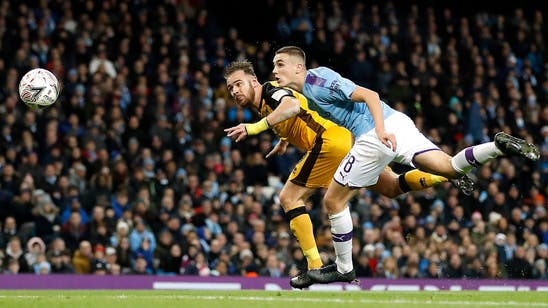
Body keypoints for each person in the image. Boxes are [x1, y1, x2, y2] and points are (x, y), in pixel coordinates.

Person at [271, 46, 540, 285]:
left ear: (299, 67)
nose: (274, 70)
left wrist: (379, 130)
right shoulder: (309, 88)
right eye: (273, 65)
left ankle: (344, 270)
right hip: (399, 123)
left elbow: (370, 95)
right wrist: (285, 138)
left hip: (376, 133)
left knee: (333, 202)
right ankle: (497, 147)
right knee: (449, 167)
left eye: (279, 64)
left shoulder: (317, 81)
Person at [223, 60, 471, 288]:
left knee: (289, 198)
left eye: (238, 84)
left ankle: (315, 268)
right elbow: (295, 111)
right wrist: (284, 138)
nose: (234, 91)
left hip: (329, 142)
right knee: (391, 187)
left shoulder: (269, 90)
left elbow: (291, 104)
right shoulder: (264, 103)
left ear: (253, 81)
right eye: (230, 87)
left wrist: (254, 128)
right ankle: (447, 174)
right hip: (348, 141)